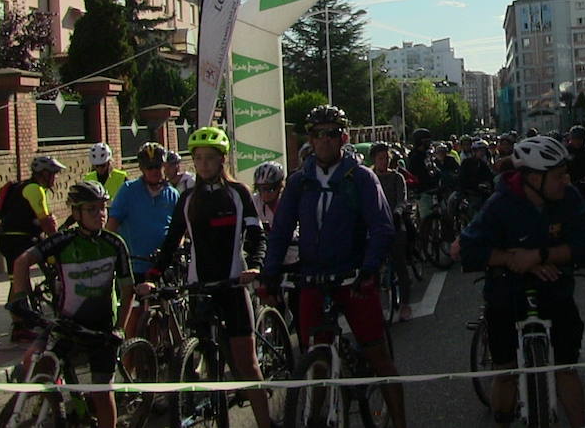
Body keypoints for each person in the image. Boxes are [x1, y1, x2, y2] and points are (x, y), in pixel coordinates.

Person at [262, 106, 406, 427]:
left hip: (353, 279)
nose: (323, 140)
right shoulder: (300, 182)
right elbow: (281, 232)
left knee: (378, 357)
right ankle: (316, 416)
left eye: (331, 133)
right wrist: (269, 274)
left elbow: (382, 227)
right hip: (313, 279)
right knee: (316, 358)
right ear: (310, 140)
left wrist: (369, 270)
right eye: (316, 134)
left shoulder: (362, 178)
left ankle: (400, 422)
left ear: (343, 137)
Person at [459, 136, 585, 428]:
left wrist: (540, 255)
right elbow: (469, 249)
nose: (566, 180)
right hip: (506, 292)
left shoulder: (569, 198)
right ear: (534, 178)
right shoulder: (500, 204)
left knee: (567, 369)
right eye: (559, 176)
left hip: (555, 289)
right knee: (505, 372)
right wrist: (511, 259)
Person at [142, 126, 275, 428]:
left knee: (247, 364)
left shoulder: (238, 193)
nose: (203, 164)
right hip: (199, 287)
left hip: (232, 285)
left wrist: (254, 265)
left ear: (222, 160)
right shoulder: (188, 198)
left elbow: (256, 236)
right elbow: (172, 239)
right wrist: (152, 275)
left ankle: (266, 422)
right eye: (198, 158)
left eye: (210, 158)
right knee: (198, 355)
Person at [6, 181, 132, 428]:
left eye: (103, 208)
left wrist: (120, 328)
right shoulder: (63, 240)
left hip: (102, 328)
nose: (100, 214)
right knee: (35, 362)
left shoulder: (115, 243)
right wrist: (19, 299)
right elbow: (22, 262)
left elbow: (128, 291)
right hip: (67, 322)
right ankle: (55, 406)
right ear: (76, 213)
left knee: (101, 392)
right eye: (91, 209)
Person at [106, 142, 179, 338]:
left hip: (162, 265)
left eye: (158, 166)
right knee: (134, 317)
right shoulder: (128, 191)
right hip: (135, 265)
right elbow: (112, 224)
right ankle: (130, 360)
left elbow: (179, 231)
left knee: (170, 313)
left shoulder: (172, 194)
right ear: (141, 169)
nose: (155, 171)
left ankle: (175, 355)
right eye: (150, 167)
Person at [0, 155, 62, 342]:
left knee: (16, 280)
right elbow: (46, 223)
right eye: (53, 174)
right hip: (19, 240)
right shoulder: (35, 190)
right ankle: (19, 326)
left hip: (10, 238)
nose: (55, 178)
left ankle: (22, 320)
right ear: (44, 174)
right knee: (19, 282)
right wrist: (58, 241)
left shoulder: (23, 186)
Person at [370, 142, 414, 321]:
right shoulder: (369, 178)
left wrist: (396, 213)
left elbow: (402, 199)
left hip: (394, 224)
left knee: (400, 265)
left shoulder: (397, 177)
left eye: (387, 158)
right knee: (371, 267)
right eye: (381, 159)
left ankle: (404, 304)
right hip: (376, 227)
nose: (384, 162)